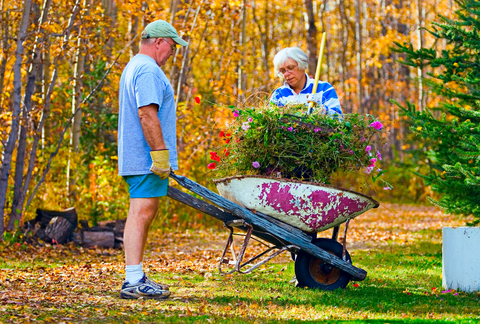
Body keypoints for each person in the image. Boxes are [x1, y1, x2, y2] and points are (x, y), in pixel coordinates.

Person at [117, 19, 188, 299]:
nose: (173, 52)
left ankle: (137, 275)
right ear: (158, 42)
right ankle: (132, 279)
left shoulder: (136, 66)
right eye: (172, 46)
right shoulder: (147, 69)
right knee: (142, 211)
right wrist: (159, 155)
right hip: (145, 157)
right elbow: (147, 114)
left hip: (139, 156)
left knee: (146, 211)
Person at [270, 47, 343, 116]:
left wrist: (321, 110)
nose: (286, 74)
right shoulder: (279, 95)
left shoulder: (324, 89)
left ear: (302, 65)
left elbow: (339, 119)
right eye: (282, 71)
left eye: (290, 68)